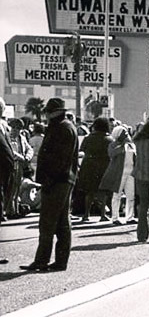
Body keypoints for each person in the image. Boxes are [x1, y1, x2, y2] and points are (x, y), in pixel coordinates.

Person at [20, 98, 79, 271]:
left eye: (47, 112)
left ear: (54, 112)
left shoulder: (61, 128)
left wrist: (48, 180)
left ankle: (42, 260)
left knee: (48, 222)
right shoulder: (65, 126)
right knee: (61, 223)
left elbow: (59, 159)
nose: (45, 115)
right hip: (63, 180)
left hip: (57, 181)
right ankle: (59, 261)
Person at [75, 117, 114, 222]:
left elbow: (82, 150)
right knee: (104, 192)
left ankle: (86, 214)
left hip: (89, 166)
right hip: (104, 166)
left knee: (89, 192)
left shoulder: (88, 138)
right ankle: (103, 214)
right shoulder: (110, 139)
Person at [99, 125, 136, 225]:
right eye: (124, 133)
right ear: (118, 135)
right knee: (117, 195)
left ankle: (130, 217)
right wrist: (122, 146)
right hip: (119, 173)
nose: (127, 135)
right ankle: (115, 218)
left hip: (131, 173)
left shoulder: (131, 145)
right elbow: (111, 154)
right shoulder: (113, 144)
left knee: (131, 195)